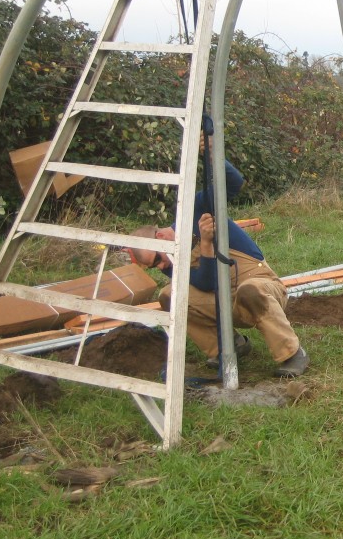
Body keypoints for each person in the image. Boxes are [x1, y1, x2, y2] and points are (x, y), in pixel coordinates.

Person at [129, 156, 310, 378]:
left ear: (162, 235)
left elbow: (234, 182)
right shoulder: (171, 260)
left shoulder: (195, 210)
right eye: (153, 265)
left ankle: (292, 353)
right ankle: (228, 347)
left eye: (157, 259)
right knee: (170, 295)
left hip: (261, 287)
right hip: (224, 299)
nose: (161, 266)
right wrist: (206, 244)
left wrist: (214, 152)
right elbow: (206, 283)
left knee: (250, 289)